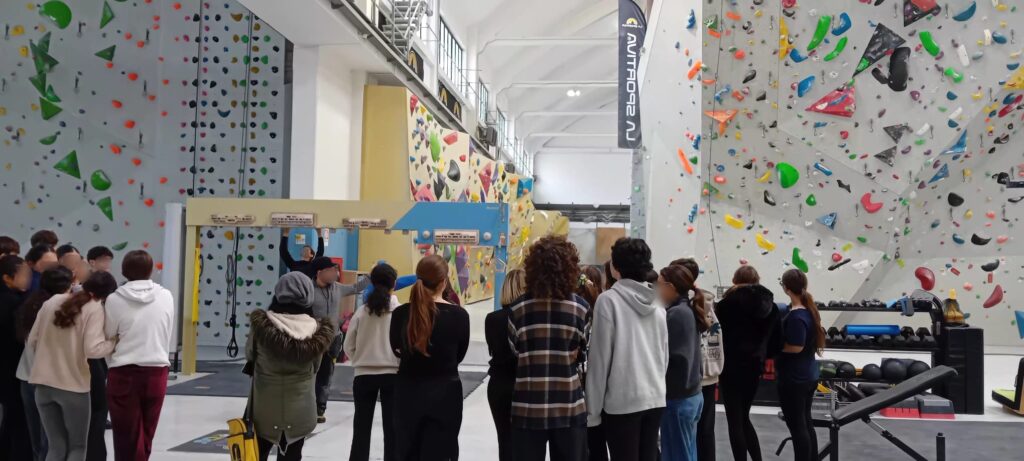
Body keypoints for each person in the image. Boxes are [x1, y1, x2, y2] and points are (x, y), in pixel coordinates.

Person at [507, 237, 589, 461]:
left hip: (527, 406)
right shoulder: (581, 308)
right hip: (568, 406)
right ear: (570, 269)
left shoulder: (517, 309)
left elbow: (515, 351)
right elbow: (583, 353)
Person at [587, 238, 668, 461]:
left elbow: (599, 361)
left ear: (615, 267)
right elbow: (664, 357)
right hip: (655, 398)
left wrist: (592, 413)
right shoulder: (658, 304)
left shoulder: (608, 301)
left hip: (622, 402)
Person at [28, 272, 119, 461]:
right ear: (106, 296)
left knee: (56, 447)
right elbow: (93, 350)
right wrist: (113, 342)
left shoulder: (52, 301)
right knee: (77, 447)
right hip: (73, 387)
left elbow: (32, 340)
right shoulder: (94, 308)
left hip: (42, 385)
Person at [390, 255, 470, 461]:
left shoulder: (400, 314)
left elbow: (396, 350)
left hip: (407, 392)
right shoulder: (459, 316)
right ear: (444, 282)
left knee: (407, 452)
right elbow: (459, 355)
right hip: (445, 394)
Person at [246, 272, 333, 461]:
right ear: (308, 295)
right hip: (301, 411)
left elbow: (250, 356)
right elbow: (316, 366)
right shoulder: (316, 330)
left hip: (264, 409)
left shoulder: (261, 326)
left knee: (257, 454)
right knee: (293, 455)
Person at [103, 250, 175, 461]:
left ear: (124, 271)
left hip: (124, 371)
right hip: (157, 370)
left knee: (127, 435)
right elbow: (167, 329)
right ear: (151, 270)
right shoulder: (166, 295)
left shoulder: (114, 299)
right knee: (147, 433)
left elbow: (108, 334)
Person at [715, 265, 778, 461]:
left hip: (730, 368)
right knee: (744, 416)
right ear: (757, 280)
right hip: (753, 368)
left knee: (735, 420)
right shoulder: (771, 307)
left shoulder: (724, 306)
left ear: (735, 280)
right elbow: (776, 342)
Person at [16, 267, 75, 461]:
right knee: (52, 442)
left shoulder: (31, 304)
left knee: (37, 440)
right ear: (68, 286)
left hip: (27, 377)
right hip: (52, 381)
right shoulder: (64, 310)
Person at [344, 263, 401, 461]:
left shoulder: (361, 312)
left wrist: (360, 359)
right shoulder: (400, 311)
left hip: (363, 375)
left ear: (371, 282)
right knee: (392, 428)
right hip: (393, 376)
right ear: (394, 283)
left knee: (361, 427)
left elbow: (348, 345)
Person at [670, 259, 722, 461]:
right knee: (705, 431)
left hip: (692, 376)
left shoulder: (686, 305)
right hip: (707, 373)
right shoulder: (704, 301)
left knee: (687, 437)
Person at [657, 265, 710, 461]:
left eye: (659, 285)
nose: (657, 290)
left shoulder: (676, 314)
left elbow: (668, 358)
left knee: (677, 454)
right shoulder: (687, 310)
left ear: (671, 287)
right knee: (686, 452)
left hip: (678, 398)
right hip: (690, 395)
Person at [308, 257, 370, 423]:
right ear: (320, 272)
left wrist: (371, 276)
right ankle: (307, 408)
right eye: (331, 270)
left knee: (326, 376)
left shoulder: (337, 288)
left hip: (333, 340)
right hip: (314, 340)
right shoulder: (308, 290)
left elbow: (356, 288)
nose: (335, 274)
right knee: (310, 374)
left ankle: (320, 409)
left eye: (335, 270)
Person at [777, 270, 824, 461]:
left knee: (797, 426)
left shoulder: (797, 316)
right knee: (805, 422)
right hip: (807, 375)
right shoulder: (808, 311)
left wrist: (774, 348)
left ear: (786, 288)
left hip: (795, 379)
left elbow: (796, 347)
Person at [485, 269, 525, 461]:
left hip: (499, 384)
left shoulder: (492, 319)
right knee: (526, 443)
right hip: (524, 384)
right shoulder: (528, 318)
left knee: (505, 440)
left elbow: (493, 349)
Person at [0, 255, 34, 459]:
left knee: (11, 418)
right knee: (19, 420)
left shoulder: (16, 299)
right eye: (23, 275)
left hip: (9, 369)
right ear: (7, 278)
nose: (27, 280)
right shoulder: (13, 303)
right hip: (12, 369)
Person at [576, 265, 608, 461]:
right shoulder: (602, 308)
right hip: (599, 384)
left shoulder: (575, 309)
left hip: (576, 385)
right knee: (598, 441)